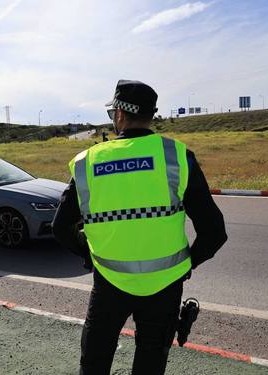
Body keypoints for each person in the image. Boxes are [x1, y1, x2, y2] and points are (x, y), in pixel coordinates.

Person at [52, 80, 228, 375]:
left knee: (94, 361)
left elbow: (61, 227)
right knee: (150, 362)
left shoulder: (89, 162)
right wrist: (186, 263)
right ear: (151, 115)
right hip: (165, 287)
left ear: (119, 114)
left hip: (109, 283)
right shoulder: (176, 157)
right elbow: (215, 232)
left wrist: (89, 254)